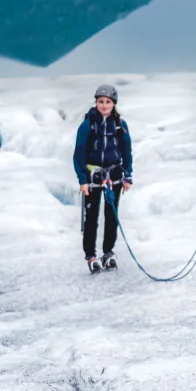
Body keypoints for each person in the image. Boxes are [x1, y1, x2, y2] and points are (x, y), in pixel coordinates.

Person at [74, 83, 134, 275]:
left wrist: (128, 175)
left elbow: (127, 152)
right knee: (91, 218)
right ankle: (90, 254)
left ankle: (108, 251)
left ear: (113, 104)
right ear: (96, 103)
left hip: (114, 177)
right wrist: (82, 180)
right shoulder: (87, 125)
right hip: (93, 178)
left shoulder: (120, 125)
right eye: (101, 101)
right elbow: (79, 154)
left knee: (112, 216)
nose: (104, 105)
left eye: (108, 102)